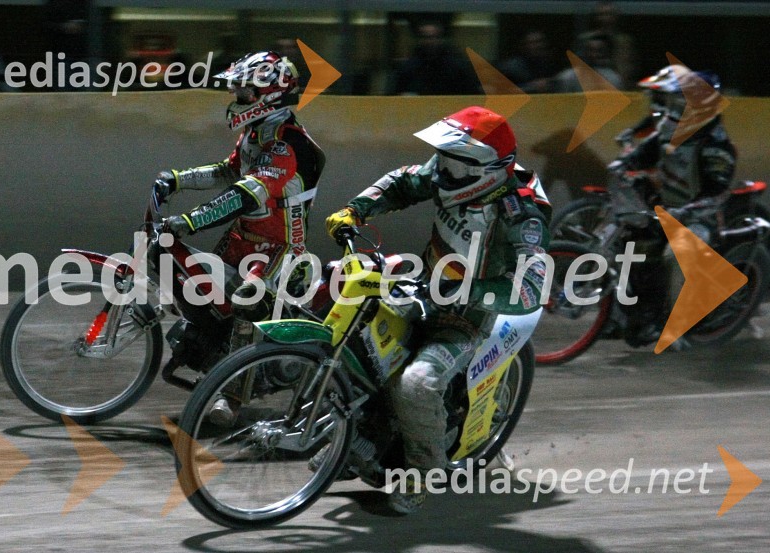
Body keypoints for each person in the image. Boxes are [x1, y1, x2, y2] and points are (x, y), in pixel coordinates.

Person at [324, 106, 551, 513]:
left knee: (417, 383)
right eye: (443, 159)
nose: (443, 170)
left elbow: (531, 289)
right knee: (354, 330)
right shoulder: (452, 172)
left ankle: (423, 472)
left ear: (485, 169)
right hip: (425, 284)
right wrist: (356, 209)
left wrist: (469, 290)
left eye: (454, 164)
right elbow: (402, 183)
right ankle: (355, 435)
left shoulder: (521, 215)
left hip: (470, 313)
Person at [156, 50, 326, 421]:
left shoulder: (288, 143)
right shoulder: (257, 132)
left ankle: (231, 398)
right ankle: (206, 352)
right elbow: (227, 171)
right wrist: (178, 179)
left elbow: (246, 192)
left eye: (244, 93)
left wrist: (191, 220)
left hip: (280, 253)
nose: (237, 100)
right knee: (199, 293)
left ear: (270, 94)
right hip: (242, 241)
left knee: (247, 304)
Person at [611, 65, 734, 346]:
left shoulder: (717, 145)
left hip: (699, 217)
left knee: (672, 256)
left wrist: (686, 212)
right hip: (664, 207)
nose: (678, 105)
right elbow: (644, 153)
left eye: (686, 100)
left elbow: (718, 193)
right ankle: (624, 315)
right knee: (625, 244)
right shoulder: (668, 126)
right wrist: (623, 164)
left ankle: (676, 326)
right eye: (678, 99)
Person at [390, 21, 482, 95]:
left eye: (433, 37)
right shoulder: (408, 67)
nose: (430, 41)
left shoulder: (456, 67)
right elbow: (394, 93)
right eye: (426, 37)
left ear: (440, 39)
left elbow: (471, 94)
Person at [553, 31, 623, 92]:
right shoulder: (568, 77)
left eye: (598, 51)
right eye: (590, 50)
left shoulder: (614, 78)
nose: (594, 55)